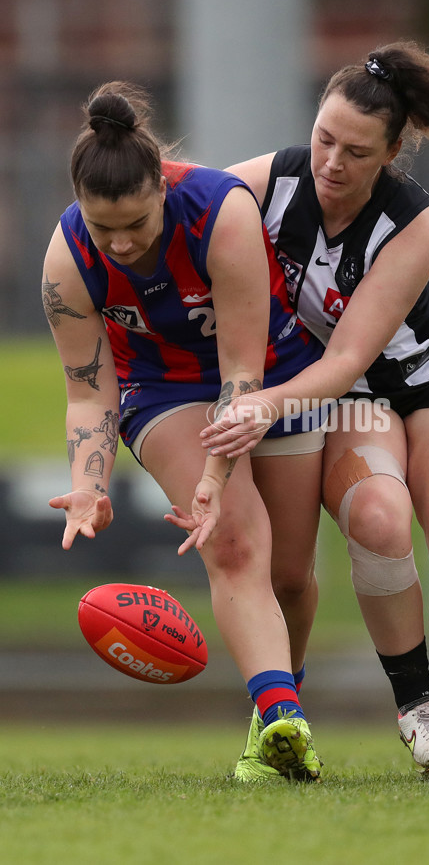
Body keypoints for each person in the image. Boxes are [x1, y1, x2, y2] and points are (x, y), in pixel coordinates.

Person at [199, 40, 429, 782]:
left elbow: (345, 358)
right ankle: (419, 712)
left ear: (393, 151)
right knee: (376, 519)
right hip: (354, 400)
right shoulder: (268, 182)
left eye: (356, 152)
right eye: (324, 139)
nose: (332, 162)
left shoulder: (412, 222)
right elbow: (180, 210)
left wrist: (259, 404)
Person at [42, 81, 328, 782]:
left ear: (161, 191)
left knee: (290, 576)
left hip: (269, 379)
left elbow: (240, 373)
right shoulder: (68, 259)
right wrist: (88, 485)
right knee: (232, 542)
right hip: (164, 392)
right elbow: (87, 393)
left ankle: (279, 708)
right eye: (102, 227)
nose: (121, 242)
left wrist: (213, 475)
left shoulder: (219, 210)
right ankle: (280, 723)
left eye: (135, 223)